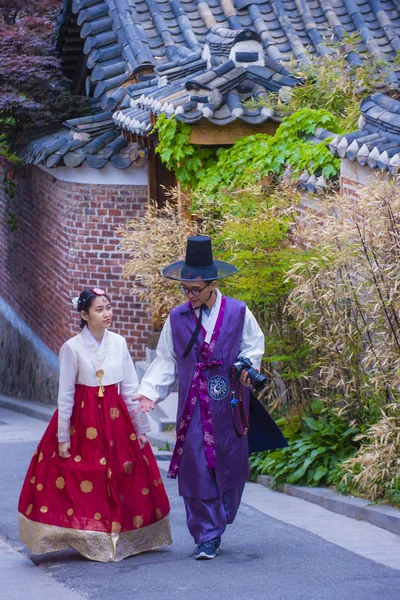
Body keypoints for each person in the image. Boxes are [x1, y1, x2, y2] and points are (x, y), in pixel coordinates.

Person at [134, 236, 287, 560]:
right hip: (192, 407)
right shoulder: (177, 318)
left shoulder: (238, 312)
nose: (189, 295)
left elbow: (252, 346)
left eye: (196, 289)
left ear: (213, 284)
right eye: (185, 289)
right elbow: (167, 359)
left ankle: (220, 519)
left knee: (232, 465)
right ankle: (206, 535)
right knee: (195, 468)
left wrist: (248, 367)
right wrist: (149, 393)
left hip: (230, 405)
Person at [18, 287, 171, 562]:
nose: (107, 314)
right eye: (99, 310)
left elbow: (130, 388)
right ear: (84, 315)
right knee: (86, 475)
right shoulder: (72, 348)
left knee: (124, 472)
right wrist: (63, 436)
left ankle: (121, 535)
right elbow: (65, 395)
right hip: (83, 418)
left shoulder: (119, 343)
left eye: (108, 308)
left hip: (116, 417)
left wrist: (141, 428)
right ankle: (87, 536)